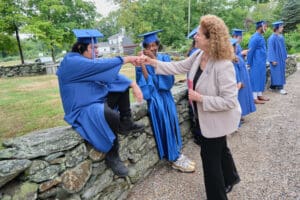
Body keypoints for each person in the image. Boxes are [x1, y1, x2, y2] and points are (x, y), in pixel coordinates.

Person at [141, 15, 241, 200]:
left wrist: (200, 98)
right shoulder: (198, 55)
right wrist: (152, 62)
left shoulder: (223, 65)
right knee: (221, 150)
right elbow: (177, 66)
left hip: (216, 120)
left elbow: (229, 101)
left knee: (210, 160)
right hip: (204, 119)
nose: (195, 36)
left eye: (200, 35)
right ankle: (232, 177)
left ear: (211, 40)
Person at [56, 29, 144, 177]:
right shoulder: (72, 62)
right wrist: (127, 59)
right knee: (110, 116)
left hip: (96, 100)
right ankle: (112, 153)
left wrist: (132, 84)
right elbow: (100, 66)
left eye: (97, 48)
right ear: (80, 48)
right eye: (93, 48)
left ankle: (126, 123)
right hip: (82, 108)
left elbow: (113, 76)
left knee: (121, 88)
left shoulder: (86, 61)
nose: (96, 51)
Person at [135, 30, 195, 173]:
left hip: (166, 96)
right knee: (165, 127)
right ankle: (174, 158)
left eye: (154, 45)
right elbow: (147, 86)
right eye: (149, 46)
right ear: (145, 47)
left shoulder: (165, 58)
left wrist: (155, 61)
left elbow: (168, 78)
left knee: (173, 124)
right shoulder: (141, 62)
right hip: (156, 100)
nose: (152, 48)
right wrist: (142, 65)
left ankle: (177, 153)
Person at [231, 38, 256, 124]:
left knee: (242, 99)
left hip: (243, 80)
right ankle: (237, 118)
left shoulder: (236, 57)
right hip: (239, 82)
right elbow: (235, 72)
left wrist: (242, 56)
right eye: (235, 46)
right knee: (239, 99)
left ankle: (240, 115)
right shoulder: (232, 59)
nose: (237, 47)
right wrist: (239, 81)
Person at [247, 20, 269, 104]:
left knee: (260, 78)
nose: (266, 28)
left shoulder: (261, 36)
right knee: (255, 79)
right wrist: (249, 62)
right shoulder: (255, 37)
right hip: (255, 62)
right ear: (261, 27)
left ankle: (259, 95)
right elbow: (250, 51)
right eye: (265, 26)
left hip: (261, 62)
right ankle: (254, 98)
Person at [186, 26, 201, 145]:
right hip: (194, 84)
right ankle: (198, 136)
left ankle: (199, 136)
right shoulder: (195, 53)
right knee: (196, 112)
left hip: (194, 84)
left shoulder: (194, 51)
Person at [267, 21, 288, 95]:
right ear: (277, 28)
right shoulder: (271, 38)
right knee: (277, 72)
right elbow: (270, 49)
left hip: (281, 58)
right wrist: (272, 60)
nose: (282, 28)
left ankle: (272, 87)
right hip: (275, 58)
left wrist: (285, 56)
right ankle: (280, 88)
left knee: (280, 72)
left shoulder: (281, 37)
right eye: (281, 27)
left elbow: (283, 48)